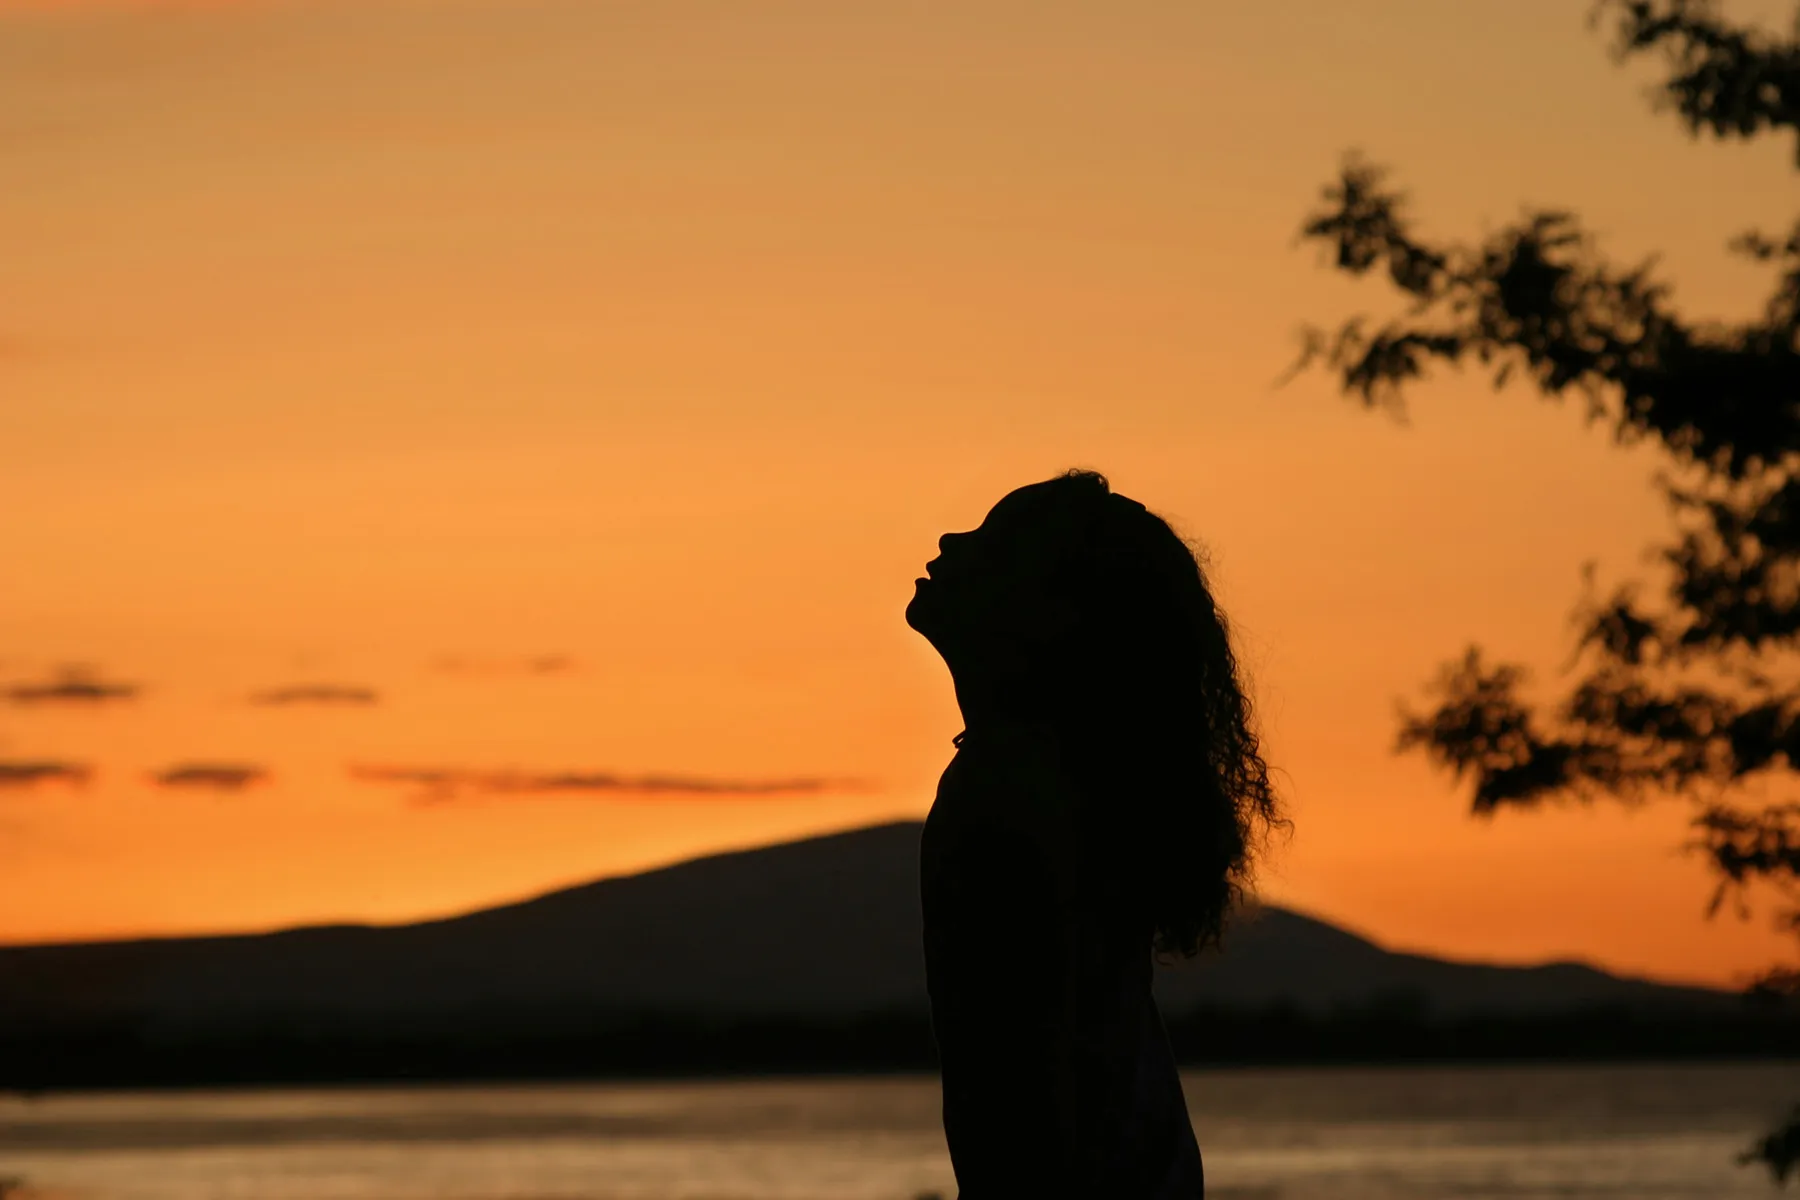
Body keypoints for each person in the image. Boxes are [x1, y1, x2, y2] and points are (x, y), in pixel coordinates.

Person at [907, 469, 1283, 1199]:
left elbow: (1035, 1069)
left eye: (996, 540)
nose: (954, 539)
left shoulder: (1015, 790)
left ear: (1049, 612)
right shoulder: (1043, 776)